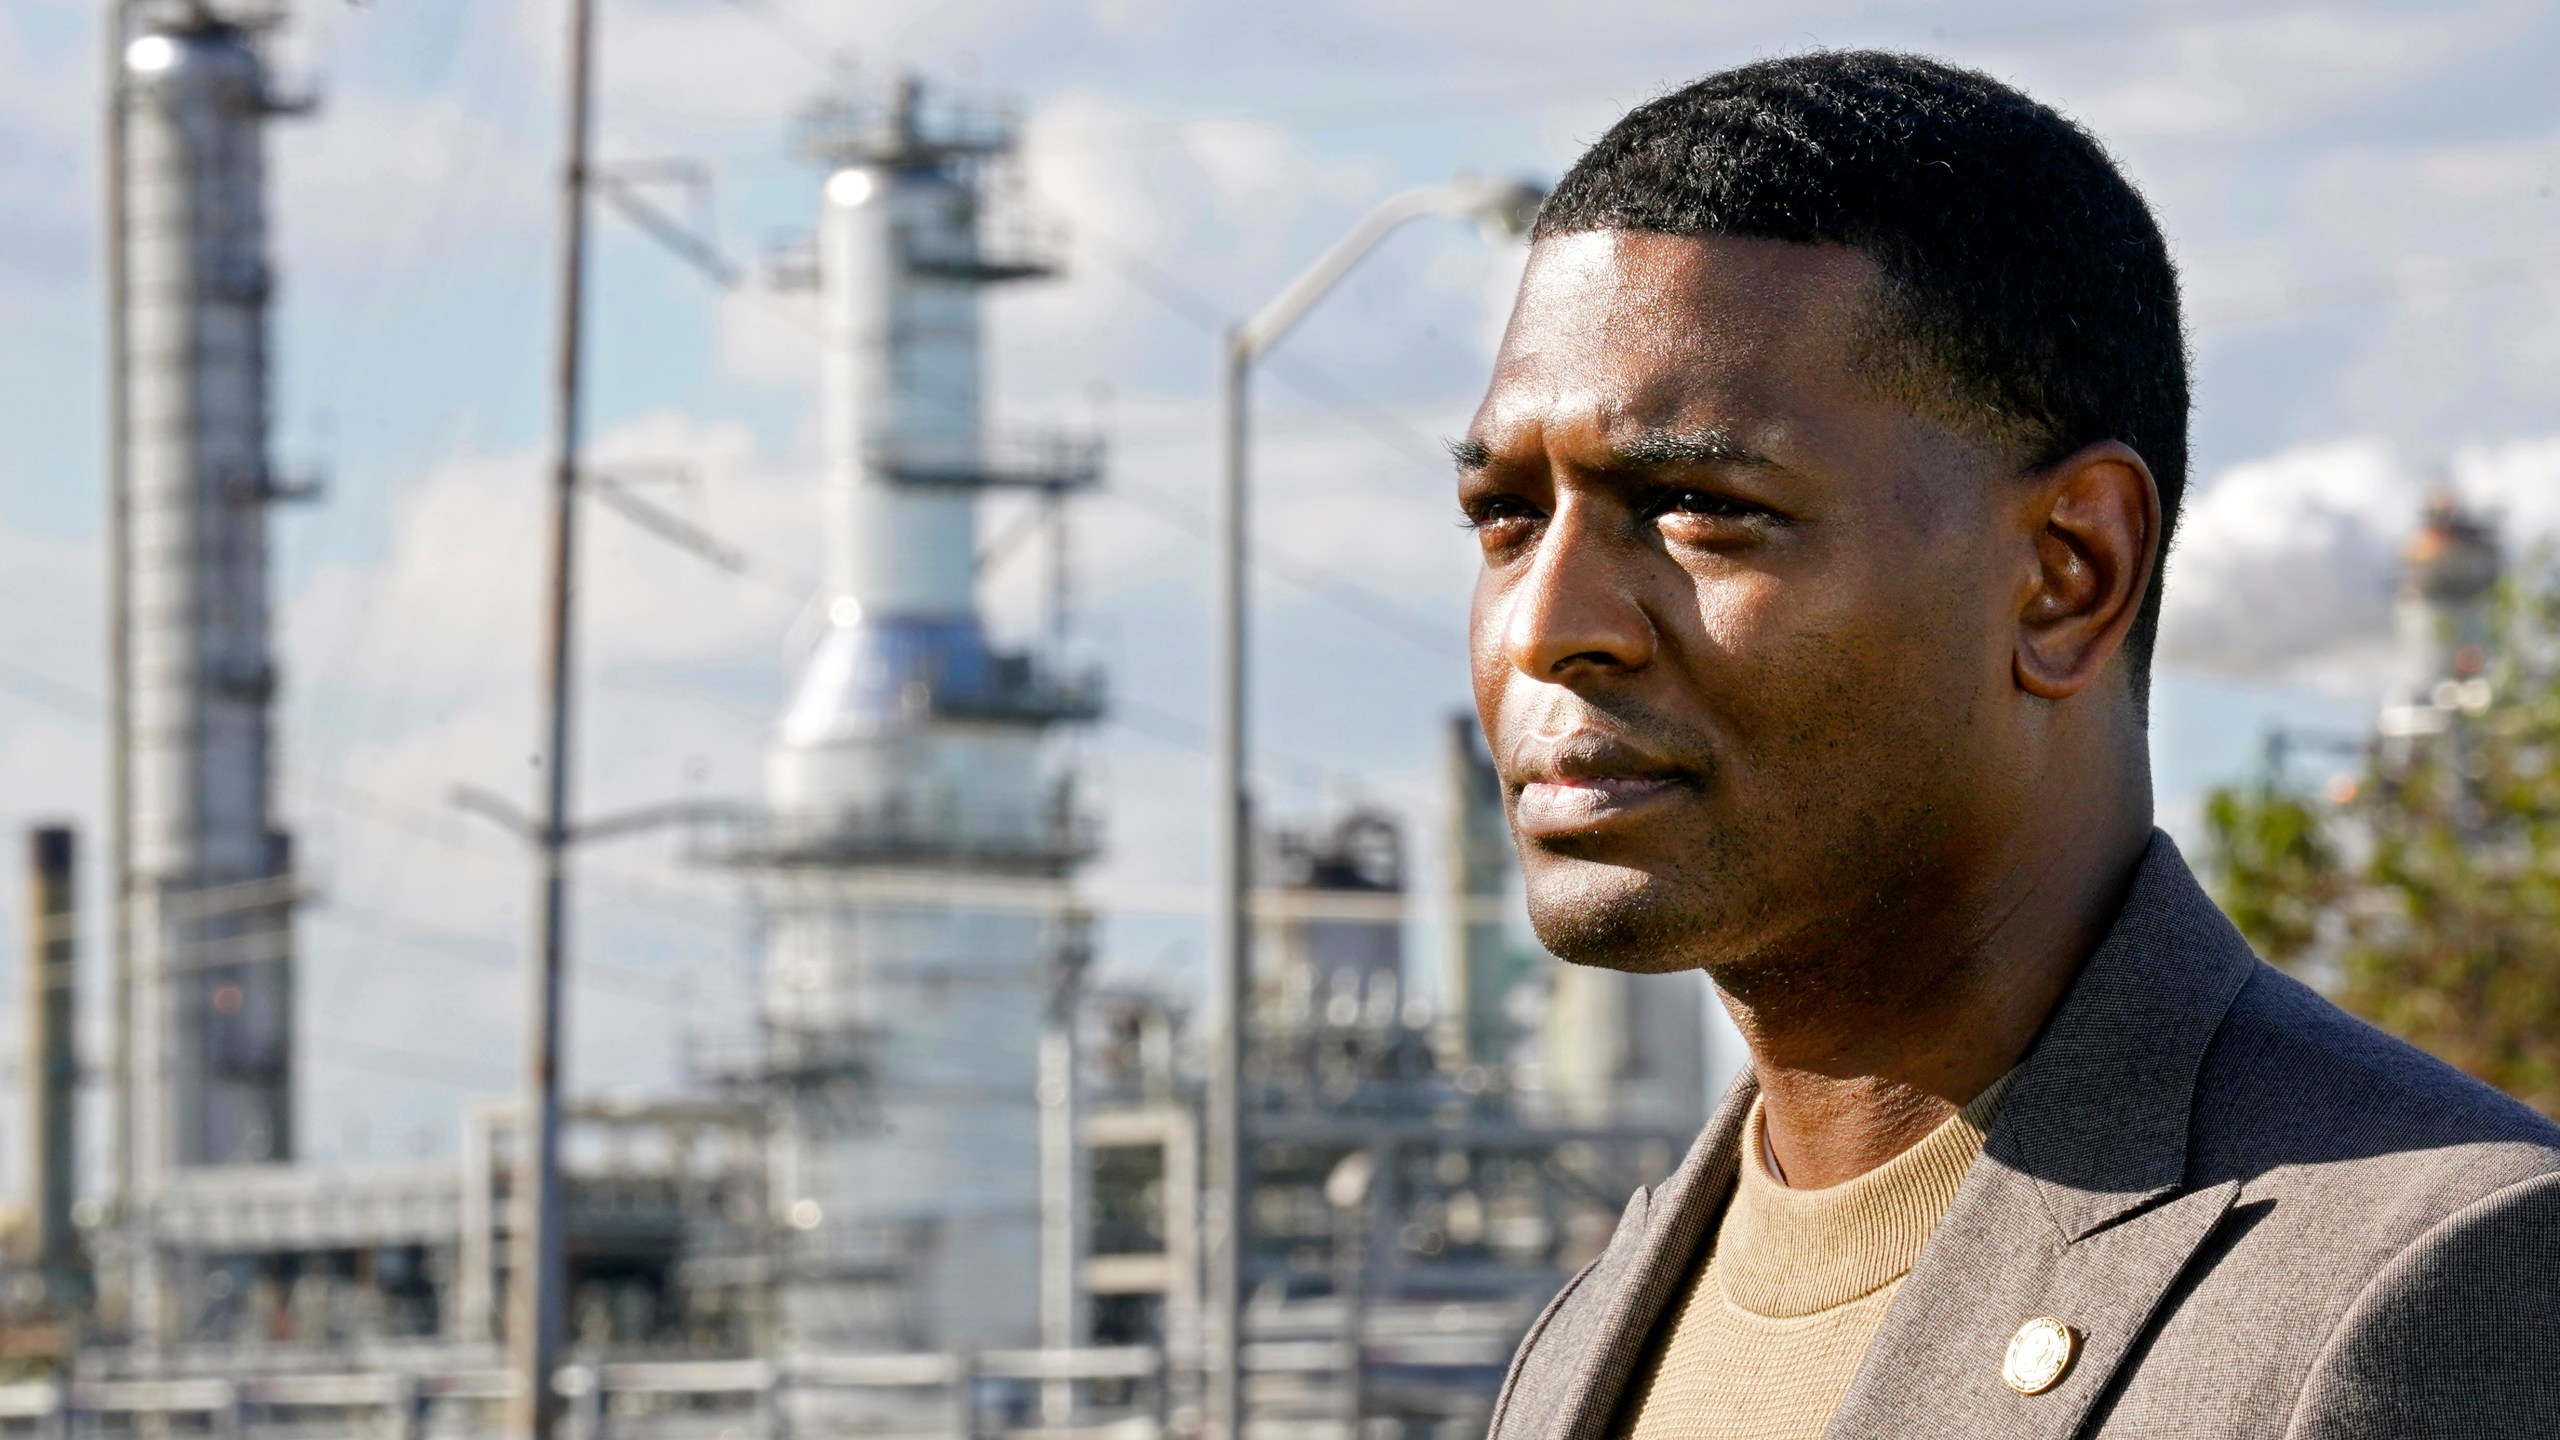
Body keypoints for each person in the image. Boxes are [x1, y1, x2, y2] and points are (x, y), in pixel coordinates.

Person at [1457, 50, 2560, 1440]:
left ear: (2069, 575)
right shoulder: (1586, 1342)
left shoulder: (2434, 1273)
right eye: (1504, 516)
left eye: (1693, 504)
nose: (1550, 625)